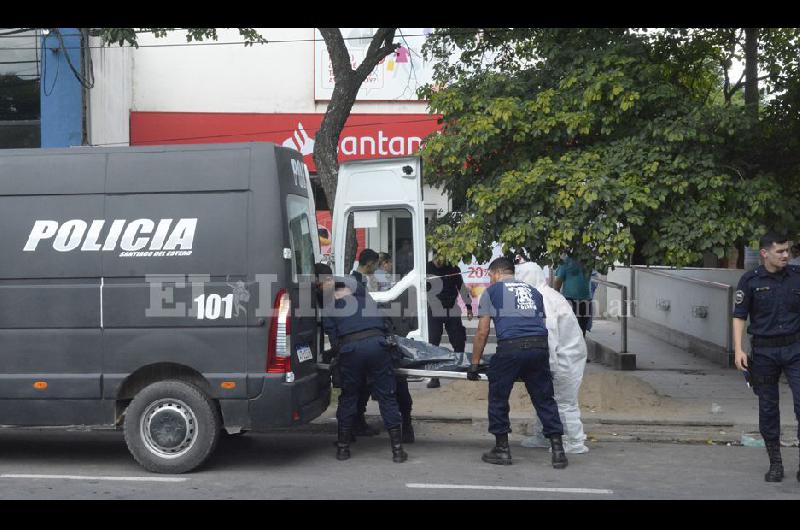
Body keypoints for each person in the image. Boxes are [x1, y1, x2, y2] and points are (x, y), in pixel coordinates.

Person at [467, 257, 568, 469]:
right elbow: (537, 324)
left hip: (511, 349)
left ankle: (502, 450)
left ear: (495, 274)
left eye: (489, 276)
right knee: (544, 398)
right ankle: (558, 450)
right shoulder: (534, 292)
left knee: (498, 397)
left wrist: (474, 364)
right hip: (539, 348)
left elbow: (483, 331)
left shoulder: (491, 292)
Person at [320, 268, 408, 463]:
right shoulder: (368, 302)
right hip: (378, 347)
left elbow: (334, 339)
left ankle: (343, 449)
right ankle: (398, 451)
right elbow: (386, 328)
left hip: (351, 350)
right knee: (387, 397)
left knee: (349, 396)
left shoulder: (330, 307)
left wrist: (337, 356)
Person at [733, 231, 800, 482]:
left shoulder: (796, 278)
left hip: (795, 350)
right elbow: (739, 315)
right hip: (764, 352)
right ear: (765, 254)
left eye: (787, 251)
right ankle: (776, 464)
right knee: (769, 409)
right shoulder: (750, 280)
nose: (786, 255)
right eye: (780, 251)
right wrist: (739, 350)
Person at [516, 262, 589, 454]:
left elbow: (550, 335)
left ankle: (575, 442)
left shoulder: (544, 299)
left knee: (564, 402)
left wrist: (550, 367)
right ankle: (544, 436)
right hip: (563, 354)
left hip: (564, 357)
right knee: (545, 398)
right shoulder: (546, 295)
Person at [353, 249, 415, 443]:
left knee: (394, 384)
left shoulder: (365, 280)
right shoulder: (355, 283)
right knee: (366, 387)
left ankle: (404, 426)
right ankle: (395, 434)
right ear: (371, 263)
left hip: (377, 335)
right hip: (372, 336)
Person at [426, 253, 473, 388]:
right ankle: (434, 377)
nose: (439, 262)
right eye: (437, 259)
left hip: (452, 308)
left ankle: (460, 370)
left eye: (442, 259)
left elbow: (462, 288)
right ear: (433, 257)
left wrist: (469, 307)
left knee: (458, 340)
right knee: (433, 342)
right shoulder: (426, 268)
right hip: (434, 309)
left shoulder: (453, 268)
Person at [553, 254, 593, 336]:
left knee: (582, 329)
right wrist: (558, 301)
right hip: (570, 300)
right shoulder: (566, 262)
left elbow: (557, 283)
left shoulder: (589, 261)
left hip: (586, 300)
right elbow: (557, 282)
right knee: (572, 330)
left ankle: (580, 347)